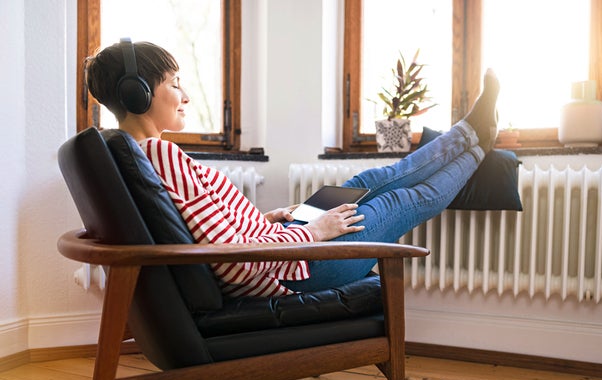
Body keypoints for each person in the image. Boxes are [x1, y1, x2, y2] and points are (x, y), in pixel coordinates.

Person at [85, 40, 499, 297]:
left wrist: (269, 219)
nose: (186, 95)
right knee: (399, 199)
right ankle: (479, 144)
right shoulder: (159, 156)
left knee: (367, 182)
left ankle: (471, 135)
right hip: (297, 267)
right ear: (137, 94)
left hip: (282, 243)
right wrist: (313, 233)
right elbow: (230, 261)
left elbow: (204, 234)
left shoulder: (143, 155)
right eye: (175, 83)